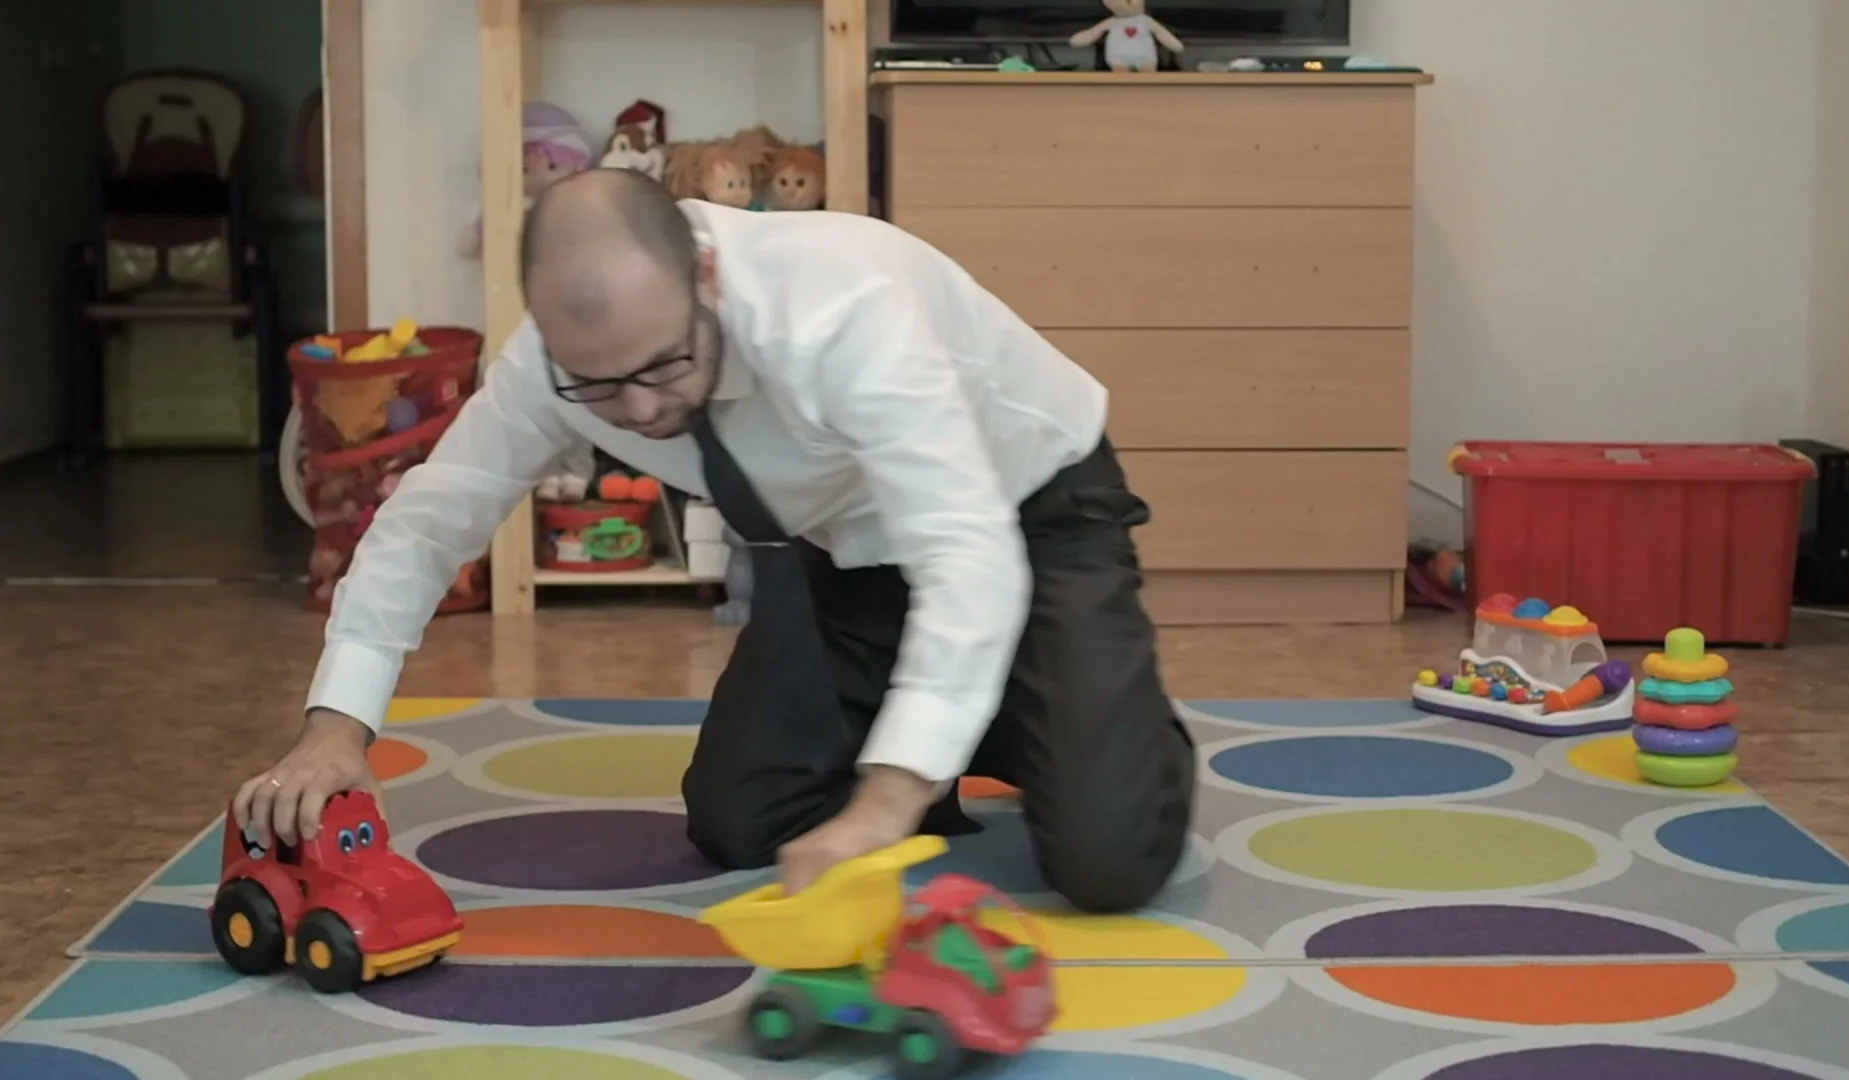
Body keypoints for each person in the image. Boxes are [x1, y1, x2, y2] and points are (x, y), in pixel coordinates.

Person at [233, 168, 1196, 913]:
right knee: (746, 820)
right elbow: (431, 516)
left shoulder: (842, 310)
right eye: (601, 388)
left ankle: (1098, 732)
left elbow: (966, 550)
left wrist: (887, 800)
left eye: (665, 365)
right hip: (850, 559)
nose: (643, 410)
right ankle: (1010, 721)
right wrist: (336, 729)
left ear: (703, 273)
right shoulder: (556, 363)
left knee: (1108, 858)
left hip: (1031, 515)